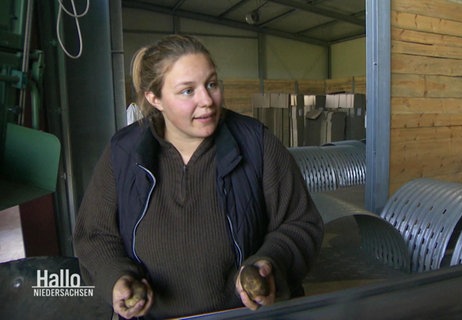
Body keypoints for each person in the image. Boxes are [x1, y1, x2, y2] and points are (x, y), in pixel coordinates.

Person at [73, 34, 324, 319]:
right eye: (187, 91)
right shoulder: (123, 153)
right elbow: (94, 235)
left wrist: (271, 262)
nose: (207, 100)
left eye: (212, 84)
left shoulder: (257, 144)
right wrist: (115, 278)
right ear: (155, 98)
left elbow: (300, 222)